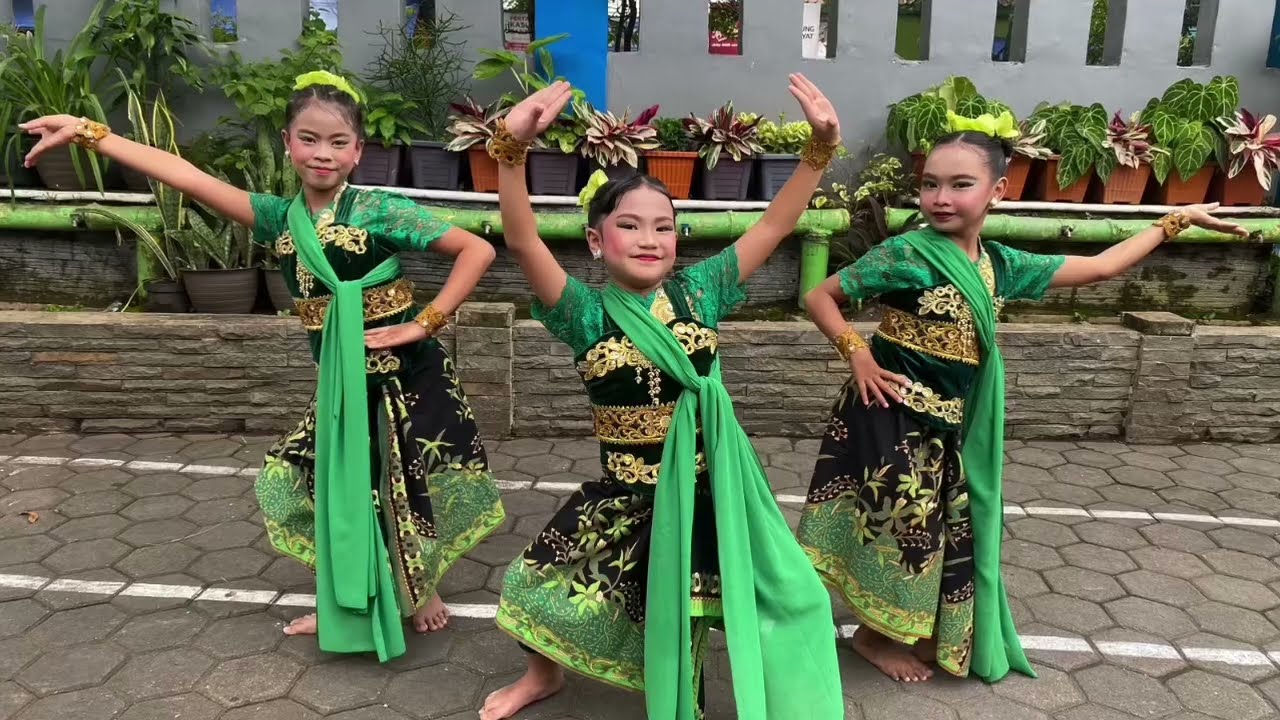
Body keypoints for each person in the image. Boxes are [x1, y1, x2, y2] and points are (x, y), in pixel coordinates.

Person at [19, 70, 506, 662]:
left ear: (358, 151)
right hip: (339, 381)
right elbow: (187, 177)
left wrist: (424, 322)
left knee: (397, 483)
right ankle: (346, 596)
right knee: (313, 482)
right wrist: (90, 133)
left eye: (336, 142)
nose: (321, 153)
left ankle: (418, 588)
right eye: (308, 139)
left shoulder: (377, 209)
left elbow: (475, 249)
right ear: (287, 143)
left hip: (405, 376)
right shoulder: (278, 218)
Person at [796, 126, 1248, 684]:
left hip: (947, 422)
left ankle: (884, 626)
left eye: (961, 184)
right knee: (906, 527)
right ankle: (871, 636)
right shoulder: (904, 254)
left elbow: (1100, 268)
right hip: (884, 409)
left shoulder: (1000, 265)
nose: (941, 197)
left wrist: (1174, 221)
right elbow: (820, 295)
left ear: (998, 191)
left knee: (930, 526)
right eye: (931, 184)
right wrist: (857, 353)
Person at [478, 77, 846, 720]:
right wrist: (511, 153)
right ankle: (544, 675)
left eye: (663, 227)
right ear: (596, 242)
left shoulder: (701, 292)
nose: (650, 239)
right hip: (624, 492)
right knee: (534, 589)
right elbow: (521, 242)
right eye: (629, 226)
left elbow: (777, 224)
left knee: (712, 607)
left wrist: (819, 149)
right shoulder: (584, 314)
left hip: (706, 490)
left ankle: (687, 699)